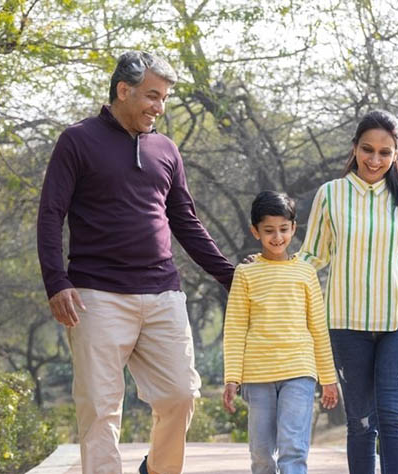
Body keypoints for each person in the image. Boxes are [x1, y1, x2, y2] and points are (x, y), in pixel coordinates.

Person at [37, 51, 235, 474]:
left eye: (163, 99)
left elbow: (185, 220)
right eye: (152, 96)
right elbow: (51, 213)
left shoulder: (165, 148)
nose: (159, 107)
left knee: (181, 395)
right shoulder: (77, 140)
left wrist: (229, 275)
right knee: (101, 411)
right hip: (96, 295)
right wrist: (56, 281)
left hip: (163, 292)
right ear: (122, 90)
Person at [298, 110, 398, 473]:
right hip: (346, 323)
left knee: (392, 416)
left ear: (396, 154)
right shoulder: (331, 195)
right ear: (354, 148)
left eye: (385, 153)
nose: (375, 160)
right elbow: (313, 254)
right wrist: (274, 267)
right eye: (368, 150)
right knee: (359, 423)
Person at [221, 191, 340, 474]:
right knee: (261, 452)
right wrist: (231, 378)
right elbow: (235, 328)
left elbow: (318, 329)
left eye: (283, 230)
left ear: (293, 228)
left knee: (294, 448)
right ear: (255, 232)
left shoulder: (305, 273)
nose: (277, 237)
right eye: (269, 231)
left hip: (299, 370)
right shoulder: (245, 274)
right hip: (258, 374)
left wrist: (328, 378)